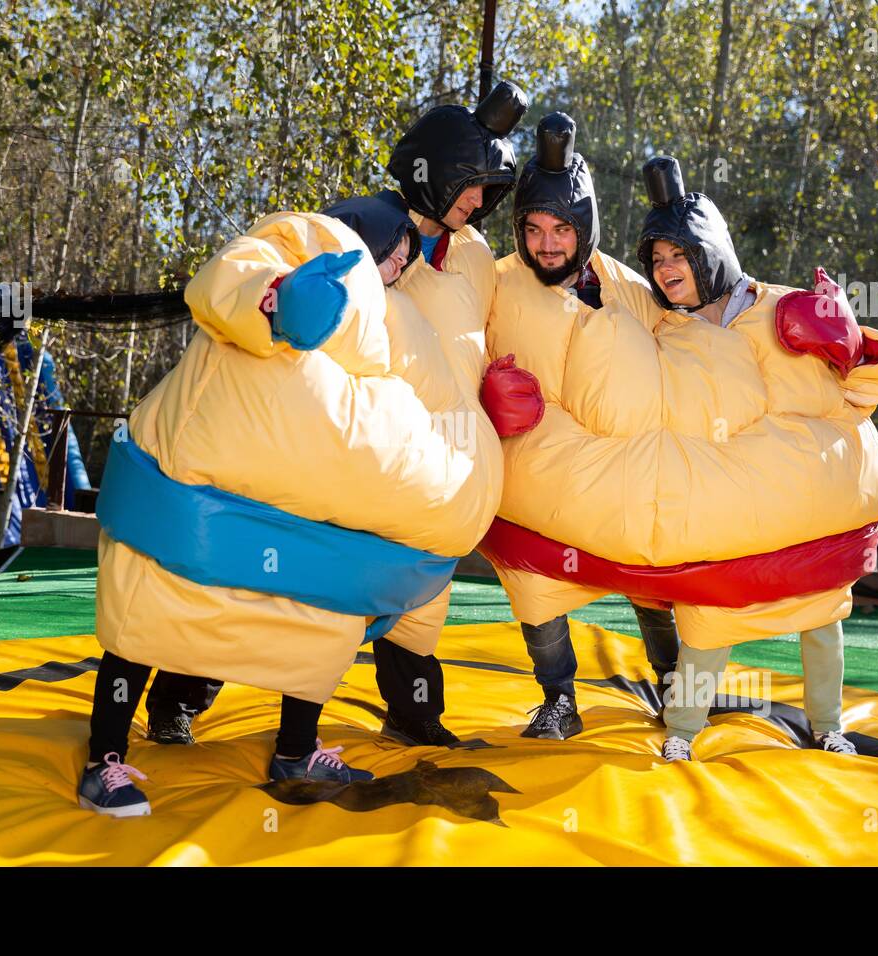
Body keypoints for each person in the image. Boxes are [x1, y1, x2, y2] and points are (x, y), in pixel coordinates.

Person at [479, 143, 878, 760]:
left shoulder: (757, 306)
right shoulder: (651, 318)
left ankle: (816, 721)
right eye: (658, 258)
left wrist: (853, 348)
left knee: (806, 614)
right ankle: (643, 718)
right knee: (682, 607)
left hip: (792, 495)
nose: (668, 268)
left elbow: (868, 385)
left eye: (680, 254)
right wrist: (484, 395)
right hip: (669, 490)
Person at [80, 194, 502, 816]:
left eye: (405, 263)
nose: (397, 272)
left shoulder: (394, 321)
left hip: (304, 503)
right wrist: (275, 299)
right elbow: (227, 277)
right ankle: (104, 761)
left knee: (320, 619)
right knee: (150, 613)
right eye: (394, 258)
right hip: (201, 476)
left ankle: (296, 750)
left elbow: (419, 402)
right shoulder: (308, 246)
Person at [143, 81, 528, 750]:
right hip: (344, 438)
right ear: (437, 174)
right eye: (473, 185)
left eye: (489, 191)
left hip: (427, 460)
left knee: (417, 592)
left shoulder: (474, 262)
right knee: (263, 577)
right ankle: (180, 694)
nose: (480, 201)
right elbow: (286, 266)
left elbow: (504, 319)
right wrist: (269, 300)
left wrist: (497, 386)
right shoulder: (368, 223)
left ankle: (411, 711)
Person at [478, 112, 681, 740]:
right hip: (534, 475)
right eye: (532, 229)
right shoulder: (496, 284)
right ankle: (559, 699)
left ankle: (675, 688)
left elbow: (691, 352)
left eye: (561, 228)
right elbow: (455, 351)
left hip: (622, 471)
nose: (546, 244)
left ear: (585, 224)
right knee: (536, 590)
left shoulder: (628, 287)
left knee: (651, 581)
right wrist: (484, 394)